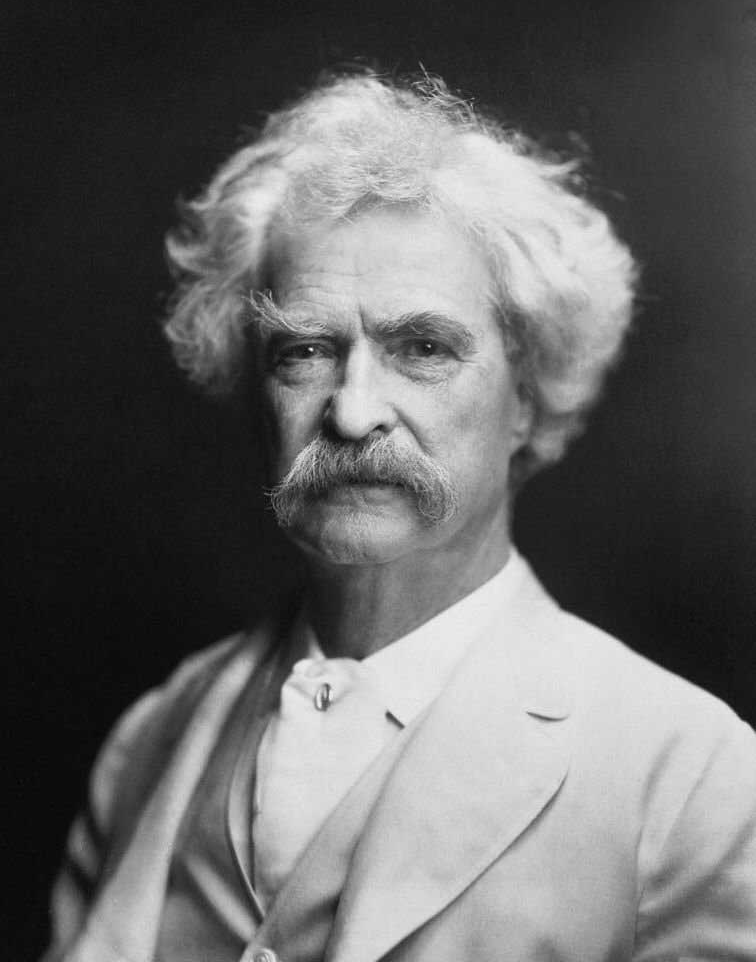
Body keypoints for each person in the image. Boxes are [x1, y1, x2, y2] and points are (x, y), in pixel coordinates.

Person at [43, 73, 756, 962]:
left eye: (423, 348)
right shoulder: (152, 739)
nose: (352, 413)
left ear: (526, 397)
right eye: (306, 351)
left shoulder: (691, 780)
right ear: (255, 391)